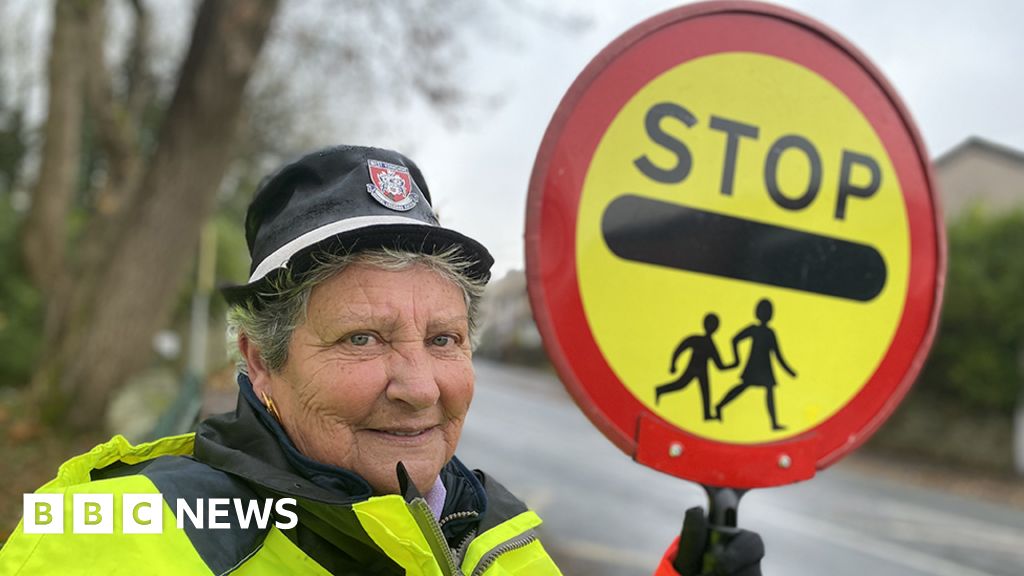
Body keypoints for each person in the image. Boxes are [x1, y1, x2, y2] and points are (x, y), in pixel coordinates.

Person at [0, 145, 764, 575]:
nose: (420, 387)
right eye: (362, 338)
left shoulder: (499, 538)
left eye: (443, 339)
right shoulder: (106, 540)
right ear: (259, 364)